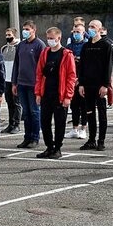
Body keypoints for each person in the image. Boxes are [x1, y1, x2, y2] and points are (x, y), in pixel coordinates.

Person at [34, 27, 77, 159]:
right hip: (46, 93)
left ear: (59, 38)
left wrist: (68, 96)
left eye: (52, 38)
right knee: (45, 122)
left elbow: (71, 76)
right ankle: (49, 147)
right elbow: (39, 74)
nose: (50, 41)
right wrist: (38, 93)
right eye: (48, 38)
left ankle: (57, 148)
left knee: (59, 123)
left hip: (60, 94)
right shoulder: (45, 53)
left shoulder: (66, 54)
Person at [77, 19, 113, 151]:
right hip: (87, 85)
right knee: (89, 113)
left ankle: (101, 141)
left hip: (100, 86)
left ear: (99, 29)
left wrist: (105, 85)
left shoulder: (106, 45)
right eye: (89, 26)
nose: (90, 28)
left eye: (93, 26)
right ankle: (91, 140)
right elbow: (82, 66)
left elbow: (108, 67)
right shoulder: (86, 46)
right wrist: (81, 84)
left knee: (102, 114)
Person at [11, 20, 45, 149]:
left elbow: (42, 67)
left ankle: (34, 138)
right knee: (26, 113)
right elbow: (16, 64)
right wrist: (14, 82)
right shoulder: (20, 45)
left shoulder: (39, 45)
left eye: (27, 29)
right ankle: (27, 137)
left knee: (34, 112)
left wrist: (40, 85)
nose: (25, 31)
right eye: (24, 29)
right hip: (21, 83)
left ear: (33, 30)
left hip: (33, 85)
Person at [65, 21, 88, 140]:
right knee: (74, 105)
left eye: (78, 32)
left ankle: (84, 129)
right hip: (72, 80)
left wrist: (81, 79)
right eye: (74, 32)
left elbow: (88, 65)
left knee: (84, 105)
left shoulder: (87, 45)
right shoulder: (69, 47)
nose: (76, 34)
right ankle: (74, 129)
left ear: (84, 33)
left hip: (83, 80)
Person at [0, 28, 21, 134]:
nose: (7, 37)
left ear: (14, 35)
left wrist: (16, 80)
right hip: (6, 79)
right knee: (9, 103)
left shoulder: (19, 47)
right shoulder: (4, 48)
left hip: (15, 80)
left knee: (16, 103)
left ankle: (17, 124)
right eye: (6, 35)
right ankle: (10, 124)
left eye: (9, 35)